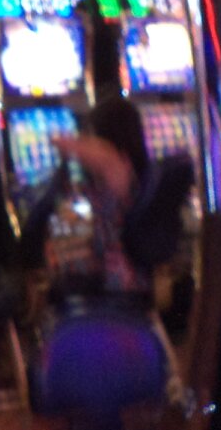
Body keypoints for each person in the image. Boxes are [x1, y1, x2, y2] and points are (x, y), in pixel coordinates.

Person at [53, 97, 152, 298]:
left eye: (90, 134)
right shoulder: (129, 177)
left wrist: (61, 141)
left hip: (117, 289)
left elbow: (106, 158)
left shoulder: (120, 170)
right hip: (112, 285)